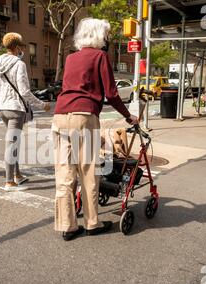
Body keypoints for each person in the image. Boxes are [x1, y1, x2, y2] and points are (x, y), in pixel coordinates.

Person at [52, 18, 138, 241]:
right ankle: (92, 223)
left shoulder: (71, 58)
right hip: (84, 117)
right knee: (89, 172)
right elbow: (111, 93)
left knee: (65, 173)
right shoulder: (100, 56)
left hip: (60, 116)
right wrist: (129, 116)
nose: (107, 39)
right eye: (106, 34)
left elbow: (67, 87)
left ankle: (67, 226)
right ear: (99, 35)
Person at [0, 32, 50, 192]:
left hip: (2, 109)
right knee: (12, 144)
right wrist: (42, 105)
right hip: (16, 109)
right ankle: (9, 181)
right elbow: (24, 91)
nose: (23, 49)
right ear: (16, 47)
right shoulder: (19, 64)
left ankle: (17, 175)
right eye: (22, 46)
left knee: (13, 143)